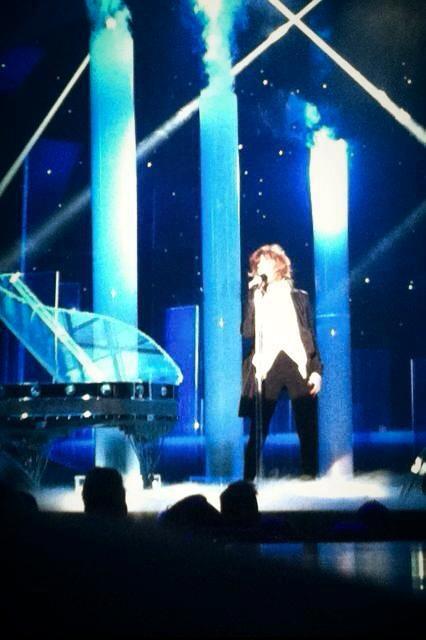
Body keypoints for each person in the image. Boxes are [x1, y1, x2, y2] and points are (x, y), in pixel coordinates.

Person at [239, 243, 323, 481]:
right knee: (259, 427)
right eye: (257, 264)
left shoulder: (299, 297)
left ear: (277, 264)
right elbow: (247, 331)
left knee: (307, 425)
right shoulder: (258, 296)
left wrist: (316, 371)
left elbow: (309, 336)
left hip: (297, 362)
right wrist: (252, 296)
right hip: (267, 364)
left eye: (264, 262)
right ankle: (248, 480)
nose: (259, 266)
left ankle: (309, 475)